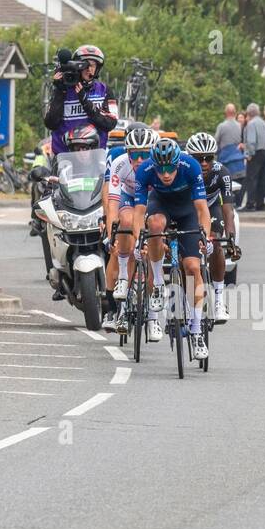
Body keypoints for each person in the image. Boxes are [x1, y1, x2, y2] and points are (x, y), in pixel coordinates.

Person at [136, 137, 212, 357]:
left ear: (178, 163)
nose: (166, 174)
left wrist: (204, 237)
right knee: (155, 224)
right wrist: (139, 241)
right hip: (160, 205)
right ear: (154, 166)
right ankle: (159, 281)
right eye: (161, 169)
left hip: (187, 210)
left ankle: (196, 330)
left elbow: (202, 209)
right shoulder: (145, 170)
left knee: (193, 268)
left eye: (170, 168)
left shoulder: (191, 166)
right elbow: (139, 213)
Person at [105, 124, 157, 329]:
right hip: (128, 197)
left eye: (144, 155)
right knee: (122, 234)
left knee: (155, 241)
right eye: (134, 155)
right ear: (127, 152)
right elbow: (112, 203)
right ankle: (113, 304)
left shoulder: (157, 166)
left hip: (151, 199)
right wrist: (111, 235)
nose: (138, 160)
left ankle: (153, 315)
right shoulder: (119, 164)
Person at [185, 131, 234, 323]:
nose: (204, 163)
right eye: (199, 158)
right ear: (190, 157)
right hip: (188, 207)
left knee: (217, 245)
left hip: (211, 208)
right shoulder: (183, 170)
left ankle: (219, 301)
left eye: (208, 158)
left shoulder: (221, 172)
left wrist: (231, 238)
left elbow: (228, 210)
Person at [43, 44, 117, 156]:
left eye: (93, 65)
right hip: (65, 159)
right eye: (85, 65)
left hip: (95, 160)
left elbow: (110, 123)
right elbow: (51, 124)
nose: (89, 69)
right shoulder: (64, 89)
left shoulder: (105, 90)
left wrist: (86, 103)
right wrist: (59, 92)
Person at [241, 103, 265, 212]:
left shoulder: (251, 124)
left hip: (255, 153)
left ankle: (250, 204)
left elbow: (251, 141)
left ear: (248, 113)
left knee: (251, 179)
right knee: (262, 179)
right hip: (264, 152)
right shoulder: (263, 123)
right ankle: (260, 204)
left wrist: (248, 154)